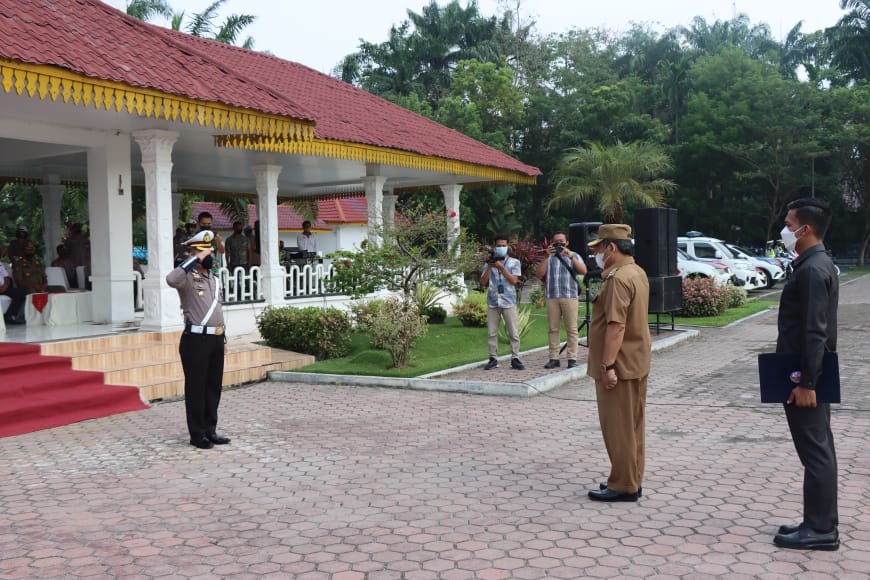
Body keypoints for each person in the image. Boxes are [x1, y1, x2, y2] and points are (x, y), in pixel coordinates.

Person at [772, 198, 840, 551]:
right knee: (818, 448)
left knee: (816, 451)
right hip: (806, 370)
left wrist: (806, 382)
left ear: (805, 229)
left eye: (788, 224)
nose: (785, 230)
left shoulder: (813, 270)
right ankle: (817, 520)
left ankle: (821, 529)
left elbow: (815, 332)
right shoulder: (814, 264)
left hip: (807, 375)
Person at [585, 224, 650, 502]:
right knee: (633, 426)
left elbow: (616, 326)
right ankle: (631, 478)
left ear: (611, 248)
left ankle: (623, 485)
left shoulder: (617, 279)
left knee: (619, 428)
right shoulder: (636, 272)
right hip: (635, 361)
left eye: (598, 249)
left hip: (619, 367)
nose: (595, 255)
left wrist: (607, 366)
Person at [166, 230, 231, 450]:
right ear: (193, 253)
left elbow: (218, 310)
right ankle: (197, 434)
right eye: (203, 252)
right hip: (195, 340)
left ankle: (210, 430)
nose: (208, 256)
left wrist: (223, 338)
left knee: (213, 387)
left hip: (215, 339)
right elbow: (170, 279)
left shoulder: (214, 279)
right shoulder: (186, 278)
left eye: (209, 252)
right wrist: (195, 259)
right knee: (197, 387)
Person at [535, 231, 588, 369]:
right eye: (556, 241)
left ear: (567, 242)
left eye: (561, 241)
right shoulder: (549, 257)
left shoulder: (574, 255)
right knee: (553, 329)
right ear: (552, 243)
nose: (559, 244)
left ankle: (572, 359)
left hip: (569, 295)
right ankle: (554, 358)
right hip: (552, 297)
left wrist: (570, 256)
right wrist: (546, 256)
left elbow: (584, 271)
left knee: (572, 329)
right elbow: (539, 274)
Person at [480, 234, 524, 371]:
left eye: (503, 245)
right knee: (492, 332)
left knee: (513, 332)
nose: (501, 248)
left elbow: (514, 281)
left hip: (508, 300)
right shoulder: (488, 263)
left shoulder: (514, 262)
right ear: (494, 246)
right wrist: (489, 266)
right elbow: (483, 282)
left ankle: (515, 358)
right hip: (493, 301)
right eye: (498, 246)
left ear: (508, 246)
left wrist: (501, 268)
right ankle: (493, 358)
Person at [0, 259, 26, 324]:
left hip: (3, 288)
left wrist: (5, 286)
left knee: (20, 293)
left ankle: (9, 315)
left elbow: (6, 277)